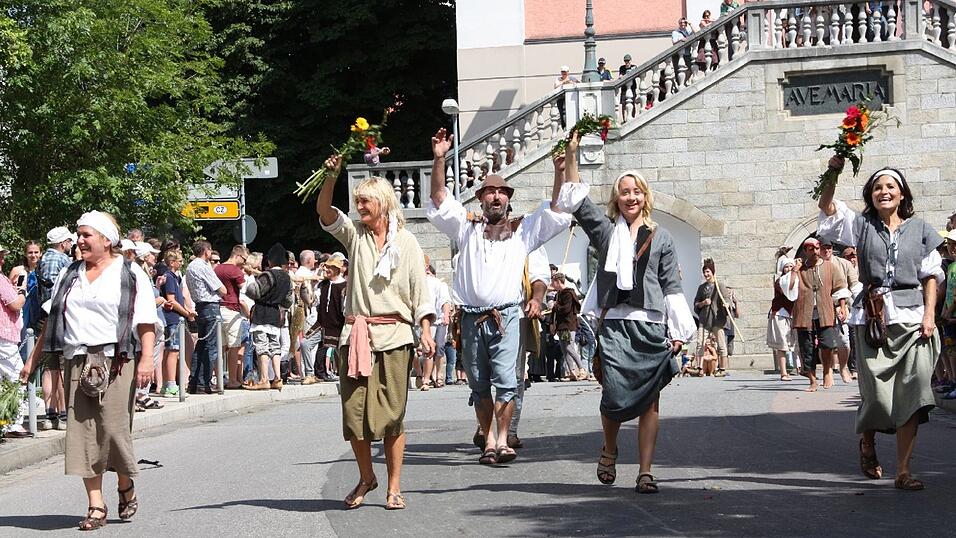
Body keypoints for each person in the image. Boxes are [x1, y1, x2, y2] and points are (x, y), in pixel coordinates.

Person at [554, 131, 695, 493]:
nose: (630, 196)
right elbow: (577, 199)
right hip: (615, 326)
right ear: (617, 197)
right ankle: (610, 449)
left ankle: (646, 471)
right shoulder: (605, 232)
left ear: (645, 197)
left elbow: (671, 285)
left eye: (636, 191)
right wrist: (571, 154)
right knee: (613, 397)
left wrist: (678, 331)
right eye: (624, 191)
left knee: (650, 403)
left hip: (650, 327)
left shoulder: (661, 236)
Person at [427, 127, 570, 466]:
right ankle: (488, 437)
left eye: (500, 193)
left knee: (507, 383)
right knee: (478, 385)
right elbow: (438, 199)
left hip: (507, 316)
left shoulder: (523, 231)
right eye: (488, 192)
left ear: (508, 198)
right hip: (471, 316)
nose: (494, 198)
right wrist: (439, 159)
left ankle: (502, 439)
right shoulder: (467, 228)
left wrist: (559, 171)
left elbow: (557, 210)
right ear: (480, 199)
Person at [20, 211, 158, 530]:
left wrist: (148, 358)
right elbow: (51, 320)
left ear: (106, 240)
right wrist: (33, 360)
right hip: (77, 359)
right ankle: (96, 505)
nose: (79, 241)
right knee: (82, 434)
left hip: (117, 358)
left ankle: (125, 483)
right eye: (78, 235)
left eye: (86, 235)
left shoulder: (130, 272)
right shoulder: (70, 274)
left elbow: (146, 321)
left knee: (112, 428)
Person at [318, 153, 436, 511]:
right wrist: (331, 177)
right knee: (354, 419)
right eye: (356, 201)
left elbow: (420, 291)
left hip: (396, 338)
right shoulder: (355, 237)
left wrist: (426, 330)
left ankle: (394, 487)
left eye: (364, 200)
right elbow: (325, 212)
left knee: (391, 417)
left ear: (383, 202)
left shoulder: (408, 243)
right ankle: (367, 477)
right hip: (356, 338)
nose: (359, 206)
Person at [818, 160, 944, 490]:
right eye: (877, 187)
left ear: (902, 194)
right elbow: (826, 206)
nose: (883, 191)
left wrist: (930, 315)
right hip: (873, 318)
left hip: (914, 320)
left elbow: (931, 276)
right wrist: (833, 170)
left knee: (913, 393)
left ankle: (903, 471)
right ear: (870, 196)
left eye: (890, 187)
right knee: (876, 396)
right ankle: (868, 441)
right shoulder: (860, 226)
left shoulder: (921, 230)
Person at [791, 237, 848, 391]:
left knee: (828, 344)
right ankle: (812, 381)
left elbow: (839, 287)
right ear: (805, 251)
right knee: (807, 348)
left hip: (825, 310)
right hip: (804, 312)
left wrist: (842, 306)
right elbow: (789, 289)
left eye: (817, 248)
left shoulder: (830, 267)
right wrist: (794, 273)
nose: (815, 252)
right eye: (811, 249)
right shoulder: (800, 270)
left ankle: (827, 371)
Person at [36, 226, 75, 430]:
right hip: (58, 317)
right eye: (69, 241)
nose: (71, 245)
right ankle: (62, 414)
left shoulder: (43, 259)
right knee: (60, 367)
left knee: (49, 366)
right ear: (63, 243)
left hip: (44, 316)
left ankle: (50, 414)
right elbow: (57, 290)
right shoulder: (60, 260)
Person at [245, 244, 294, 390]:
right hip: (276, 314)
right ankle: (278, 378)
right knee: (275, 346)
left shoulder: (268, 275)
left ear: (270, 261)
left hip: (262, 312)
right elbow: (288, 301)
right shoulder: (287, 278)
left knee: (262, 346)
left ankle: (264, 379)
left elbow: (253, 291)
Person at [184, 240, 226, 394]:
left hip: (200, 306)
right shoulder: (202, 266)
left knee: (201, 346)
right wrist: (222, 290)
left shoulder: (190, 267)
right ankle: (203, 383)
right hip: (210, 306)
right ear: (206, 251)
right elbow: (222, 289)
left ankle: (194, 383)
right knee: (211, 346)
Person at [821, 237, 861, 383]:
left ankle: (844, 367)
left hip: (842, 306)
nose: (827, 251)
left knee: (844, 342)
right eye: (824, 248)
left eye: (829, 248)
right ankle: (828, 370)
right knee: (825, 342)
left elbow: (855, 285)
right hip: (822, 308)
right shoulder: (814, 266)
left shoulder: (844, 264)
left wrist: (858, 305)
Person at [0, 244, 30, 439]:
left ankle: (5, 421)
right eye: (0, 257)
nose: (3, 260)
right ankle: (14, 423)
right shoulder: (0, 280)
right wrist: (22, 291)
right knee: (17, 376)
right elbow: (15, 304)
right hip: (4, 336)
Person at [302, 256, 346, 383]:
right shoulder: (323, 284)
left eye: (330, 267)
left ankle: (346, 375)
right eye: (326, 267)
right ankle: (310, 374)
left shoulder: (344, 286)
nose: (326, 269)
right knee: (305, 344)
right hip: (321, 323)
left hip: (337, 326)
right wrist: (308, 292)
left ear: (337, 269)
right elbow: (314, 301)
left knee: (341, 352)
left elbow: (345, 308)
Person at [159, 249, 194, 397]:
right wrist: (186, 313)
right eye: (180, 261)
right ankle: (171, 385)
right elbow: (171, 300)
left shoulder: (174, 277)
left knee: (170, 351)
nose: (182, 263)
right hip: (173, 318)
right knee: (173, 351)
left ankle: (167, 384)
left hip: (175, 318)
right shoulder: (170, 278)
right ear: (172, 263)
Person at [215, 245, 248, 389]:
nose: (245, 263)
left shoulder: (217, 269)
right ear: (238, 256)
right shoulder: (234, 270)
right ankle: (233, 380)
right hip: (231, 310)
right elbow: (244, 287)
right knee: (234, 347)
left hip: (218, 309)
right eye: (244, 259)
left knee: (220, 348)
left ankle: (218, 380)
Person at [693, 259, 731, 378]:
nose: (706, 274)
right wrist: (703, 303)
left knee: (721, 344)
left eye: (708, 271)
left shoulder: (720, 286)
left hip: (717, 319)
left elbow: (727, 299)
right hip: (704, 319)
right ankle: (699, 368)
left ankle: (722, 368)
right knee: (700, 343)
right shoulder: (701, 288)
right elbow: (696, 304)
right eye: (704, 272)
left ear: (712, 272)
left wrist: (727, 305)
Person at [768, 257, 800, 381]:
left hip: (792, 314)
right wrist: (795, 271)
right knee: (782, 344)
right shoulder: (780, 281)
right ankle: (783, 372)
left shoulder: (797, 279)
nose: (789, 269)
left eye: (791, 266)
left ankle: (799, 368)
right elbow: (789, 289)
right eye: (786, 267)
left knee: (795, 342)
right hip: (780, 314)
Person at [551, 272, 586, 381]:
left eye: (553, 282)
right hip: (561, 326)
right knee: (564, 349)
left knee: (569, 347)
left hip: (567, 325)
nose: (552, 284)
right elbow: (554, 311)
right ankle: (572, 372)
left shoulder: (568, 293)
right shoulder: (558, 294)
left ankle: (582, 369)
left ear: (558, 281)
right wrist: (552, 323)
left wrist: (556, 306)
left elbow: (566, 309)